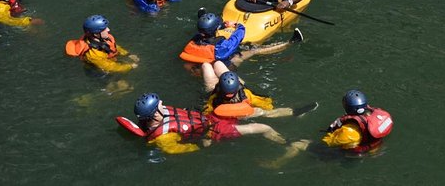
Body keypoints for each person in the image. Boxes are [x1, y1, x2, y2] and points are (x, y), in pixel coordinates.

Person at [131, 93, 311, 154]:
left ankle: (292, 113)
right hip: (213, 132)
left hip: (208, 119)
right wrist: (203, 144)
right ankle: (290, 143)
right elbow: (178, 150)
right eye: (159, 105)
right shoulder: (163, 138)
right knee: (262, 128)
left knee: (252, 112)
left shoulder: (160, 115)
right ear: (154, 114)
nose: (163, 103)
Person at [179, 11, 303, 69]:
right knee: (254, 50)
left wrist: (222, 25)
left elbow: (207, 33)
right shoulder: (221, 47)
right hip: (223, 65)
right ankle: (290, 43)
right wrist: (238, 25)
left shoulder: (194, 39)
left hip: (196, 68)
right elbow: (238, 36)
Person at [203, 67, 317, 119]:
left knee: (207, 66)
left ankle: (210, 64)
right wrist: (269, 106)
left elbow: (207, 111)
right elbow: (264, 102)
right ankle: (294, 112)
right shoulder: (245, 94)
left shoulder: (215, 98)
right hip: (240, 111)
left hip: (216, 94)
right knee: (263, 112)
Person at [322, 90, 393, 154]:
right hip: (376, 147)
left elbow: (326, 143)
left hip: (356, 153)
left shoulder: (348, 132)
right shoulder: (375, 115)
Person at [65, 15, 139, 73]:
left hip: (109, 59)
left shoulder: (105, 37)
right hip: (97, 70)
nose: (108, 30)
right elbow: (110, 67)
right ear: (96, 34)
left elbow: (114, 46)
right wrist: (130, 66)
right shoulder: (93, 54)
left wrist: (127, 54)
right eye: (104, 29)